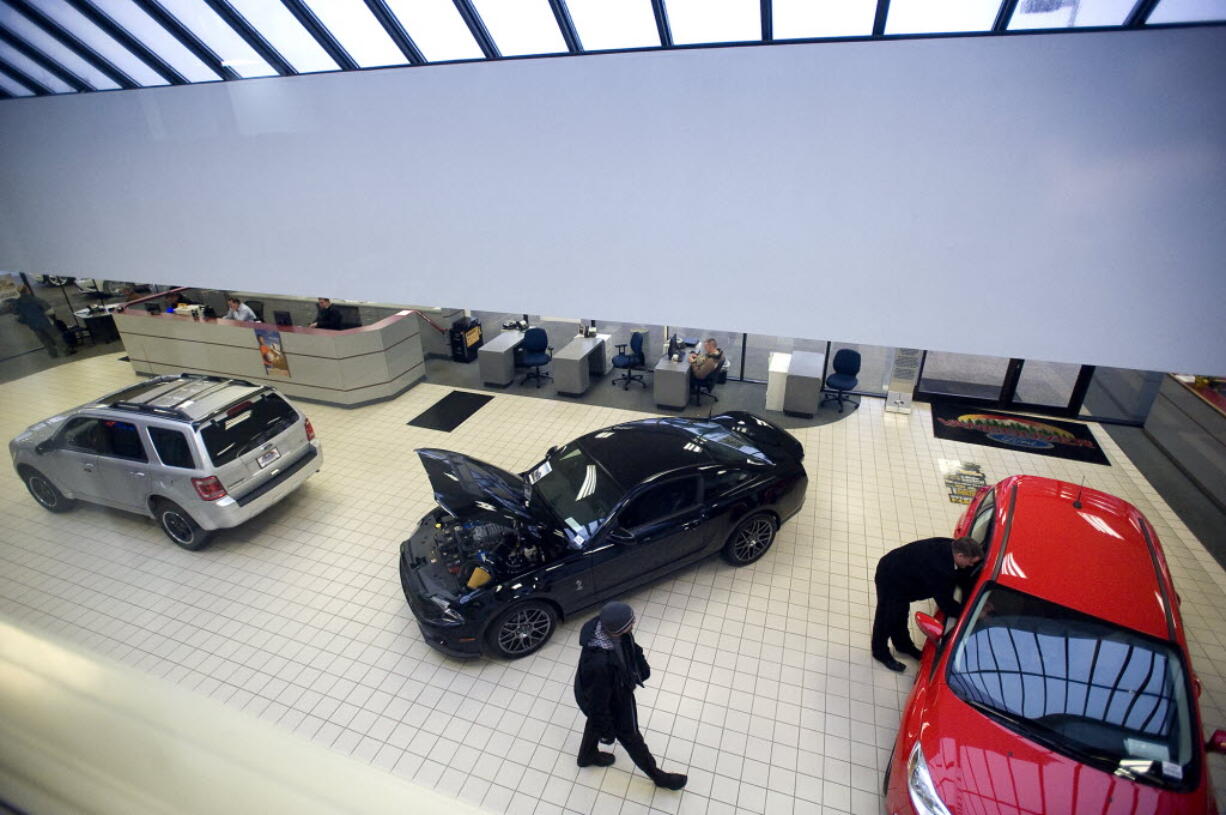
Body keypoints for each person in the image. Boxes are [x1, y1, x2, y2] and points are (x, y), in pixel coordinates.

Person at [573, 602, 687, 790]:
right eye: (630, 622)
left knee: (595, 721)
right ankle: (659, 777)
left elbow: (631, 646)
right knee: (631, 737)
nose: (634, 623)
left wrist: (641, 667)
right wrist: (608, 733)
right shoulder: (598, 665)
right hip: (612, 699)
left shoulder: (608, 628)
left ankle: (586, 756)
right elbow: (598, 705)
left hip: (609, 690)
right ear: (618, 629)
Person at [871, 536, 984, 672]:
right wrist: (973, 613)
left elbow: (963, 574)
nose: (971, 566)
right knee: (887, 616)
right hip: (890, 577)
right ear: (960, 555)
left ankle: (902, 644)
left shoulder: (952, 545)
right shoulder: (940, 569)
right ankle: (879, 652)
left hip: (903, 571)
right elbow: (946, 604)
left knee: (901, 612)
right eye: (971, 562)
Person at [3, 285, 72, 358]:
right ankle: (66, 351)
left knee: (45, 340)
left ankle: (53, 354)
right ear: (27, 290)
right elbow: (48, 309)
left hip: (33, 325)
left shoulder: (17, 302)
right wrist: (52, 317)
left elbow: (16, 312)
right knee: (56, 337)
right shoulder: (33, 299)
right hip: (45, 321)